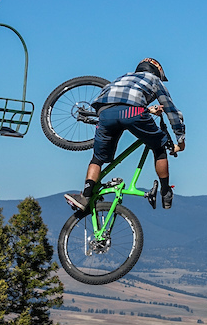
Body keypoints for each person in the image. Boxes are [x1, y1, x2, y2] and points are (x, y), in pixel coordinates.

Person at [64, 58, 185, 213]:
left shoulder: (122, 77)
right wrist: (180, 140)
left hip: (105, 112)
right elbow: (171, 111)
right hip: (132, 112)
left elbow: (118, 102)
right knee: (159, 147)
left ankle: (85, 196)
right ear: (156, 71)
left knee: (98, 158)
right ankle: (166, 191)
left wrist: (148, 110)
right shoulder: (154, 80)